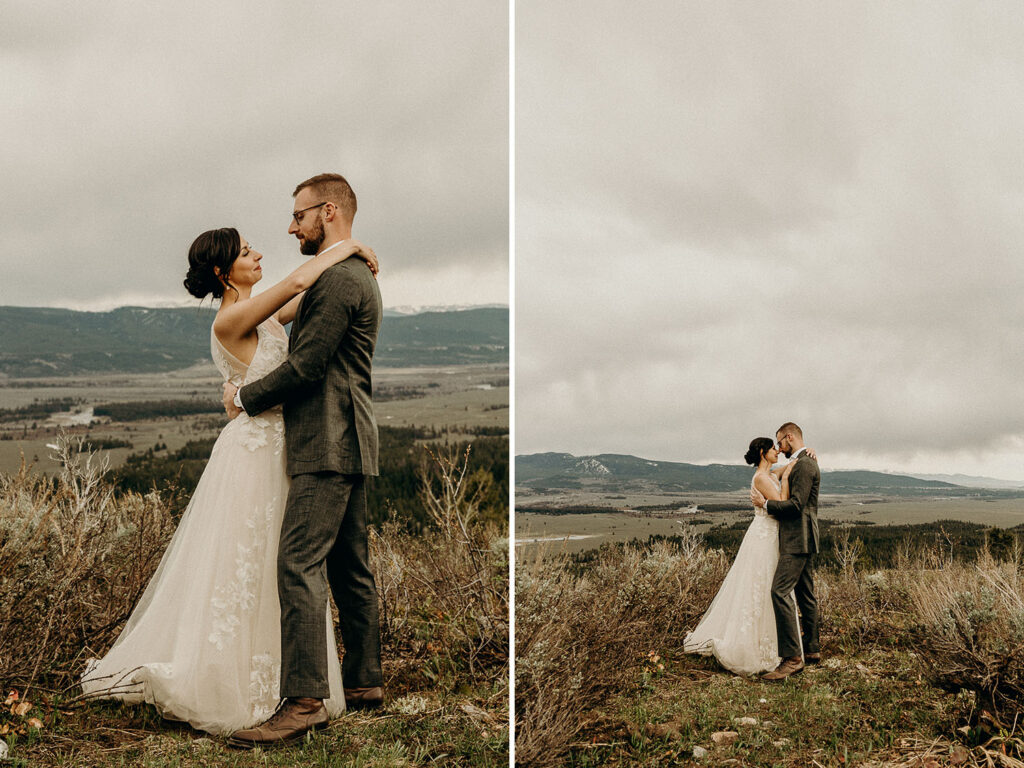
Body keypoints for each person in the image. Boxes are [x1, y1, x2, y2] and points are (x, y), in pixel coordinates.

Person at [79, 226, 378, 735]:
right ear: (222, 272)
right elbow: (300, 279)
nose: (258, 253)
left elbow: (303, 296)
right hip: (256, 450)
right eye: (245, 251)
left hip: (284, 445)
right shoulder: (232, 318)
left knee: (274, 563)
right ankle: (248, 681)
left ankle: (302, 677)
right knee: (258, 562)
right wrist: (348, 246)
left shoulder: (255, 313)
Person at [221, 173, 385, 748]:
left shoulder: (339, 279)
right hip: (350, 438)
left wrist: (245, 398)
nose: (291, 226)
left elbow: (308, 365)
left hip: (327, 440)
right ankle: (365, 683)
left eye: (299, 215)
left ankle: (306, 701)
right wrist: (352, 246)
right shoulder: (347, 270)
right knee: (349, 567)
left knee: (297, 564)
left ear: (329, 211)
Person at [683, 437, 799, 676]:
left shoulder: (767, 475)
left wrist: (800, 457)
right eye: (773, 448)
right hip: (764, 538)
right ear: (762, 452)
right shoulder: (760, 478)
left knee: (766, 586)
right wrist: (786, 479)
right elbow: (782, 504)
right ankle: (753, 645)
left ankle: (774, 641)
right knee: (761, 585)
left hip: (767, 536)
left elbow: (782, 468)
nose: (777, 451)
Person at [751, 422, 821, 682]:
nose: (779, 447)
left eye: (780, 442)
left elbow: (795, 506)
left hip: (796, 539)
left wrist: (766, 504)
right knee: (805, 594)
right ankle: (812, 649)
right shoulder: (805, 461)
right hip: (803, 538)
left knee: (779, 591)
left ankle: (792, 659)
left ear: (789, 437)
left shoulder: (804, 464)